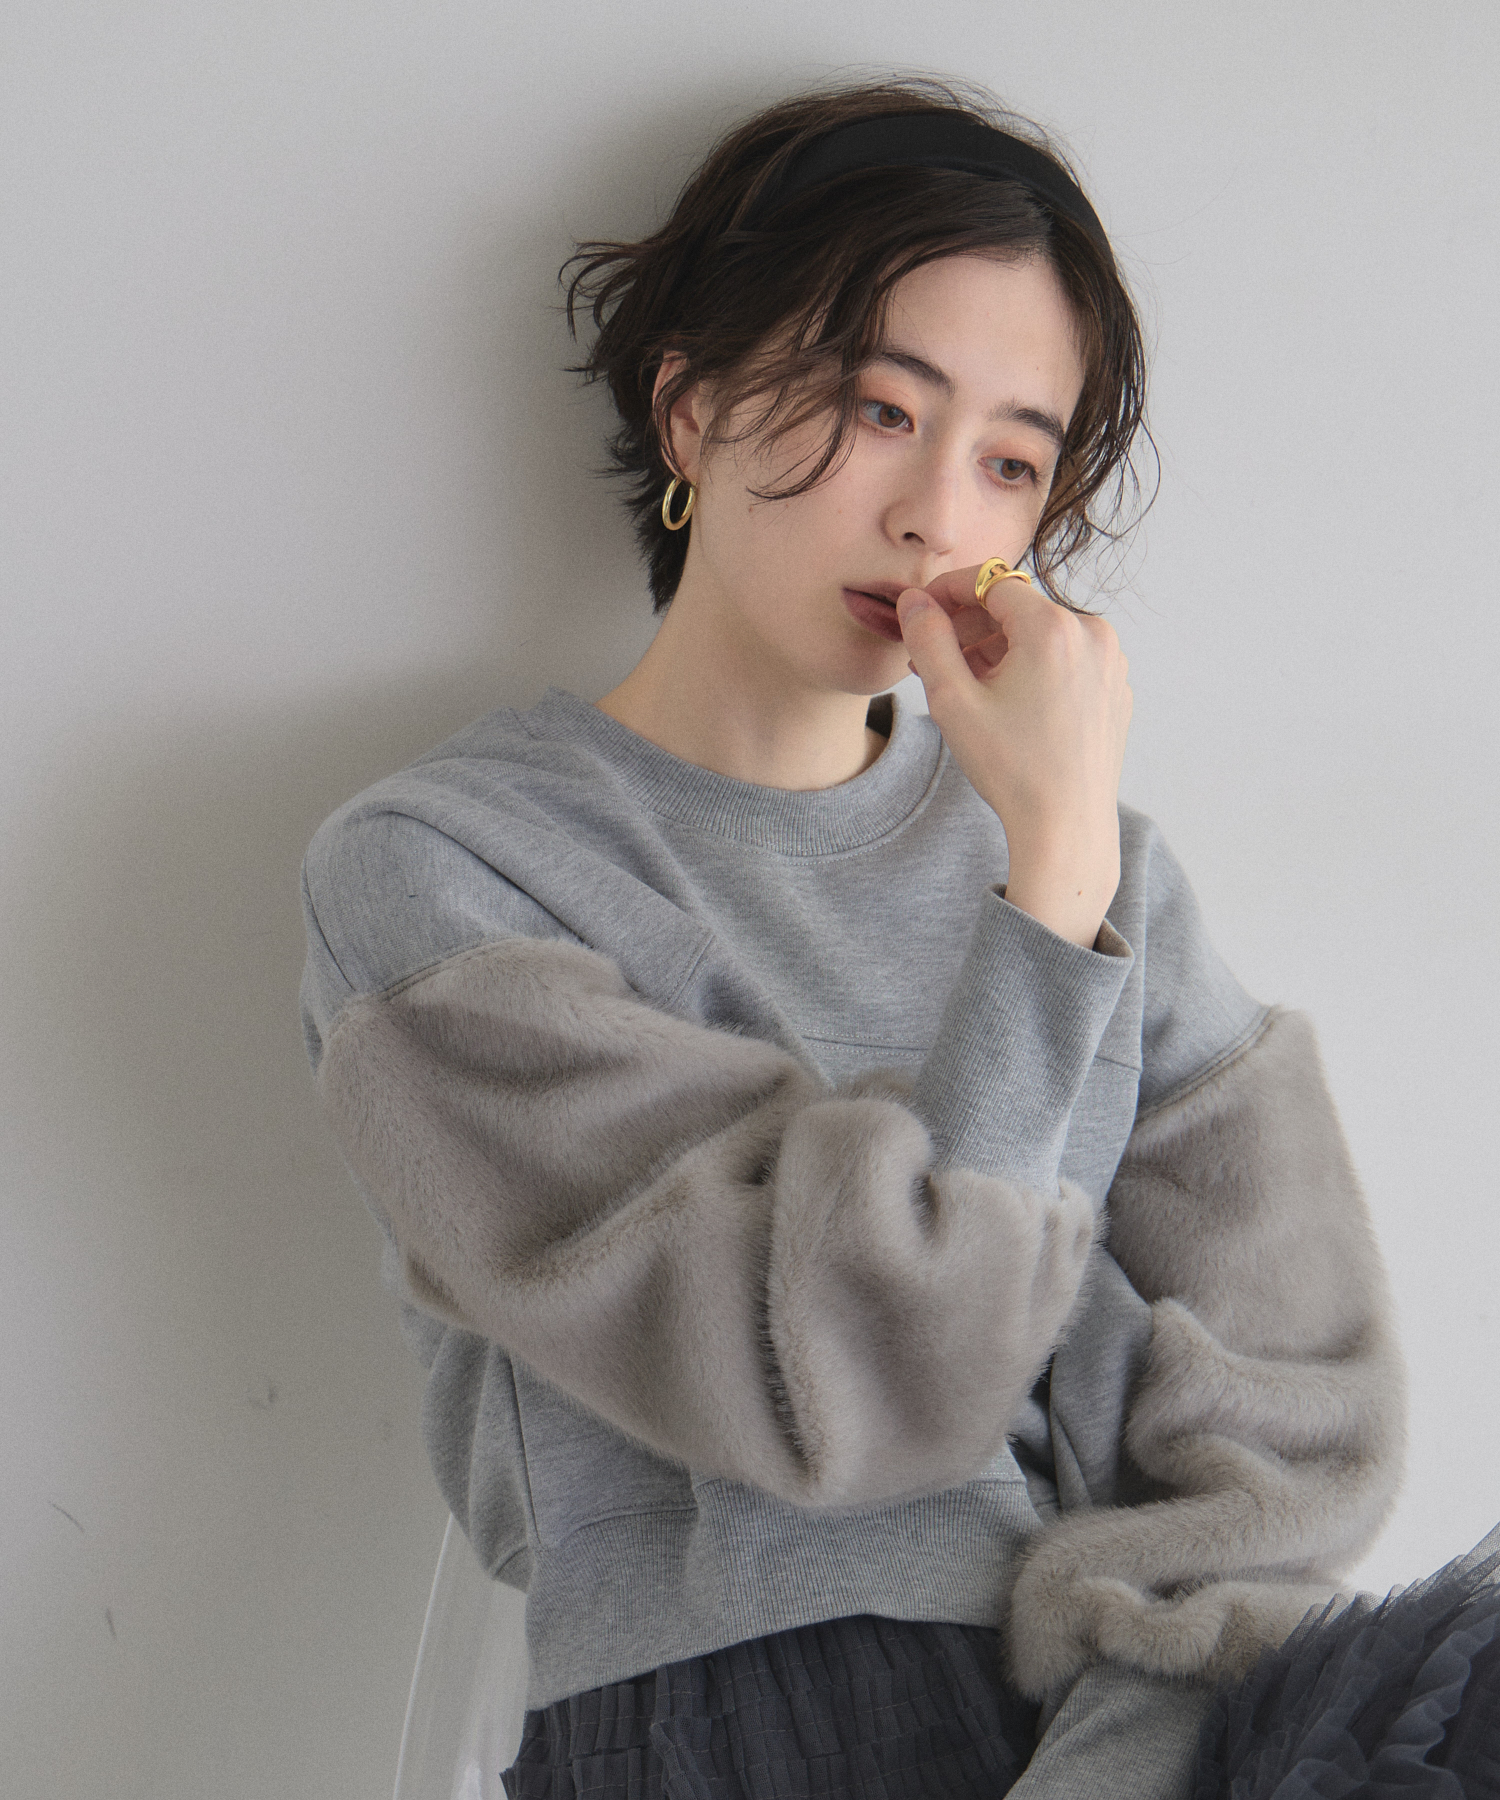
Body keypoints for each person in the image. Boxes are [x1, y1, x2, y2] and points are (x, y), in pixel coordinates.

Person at [299, 77, 1499, 1799]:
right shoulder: (449, 874)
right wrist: (1045, 904)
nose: (941, 512)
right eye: (881, 409)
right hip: (732, 1720)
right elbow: (851, 1394)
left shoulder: (1110, 875)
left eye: (1013, 459)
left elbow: (1292, 1413)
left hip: (1133, 1728)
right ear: (692, 407)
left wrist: (1118, 1759)